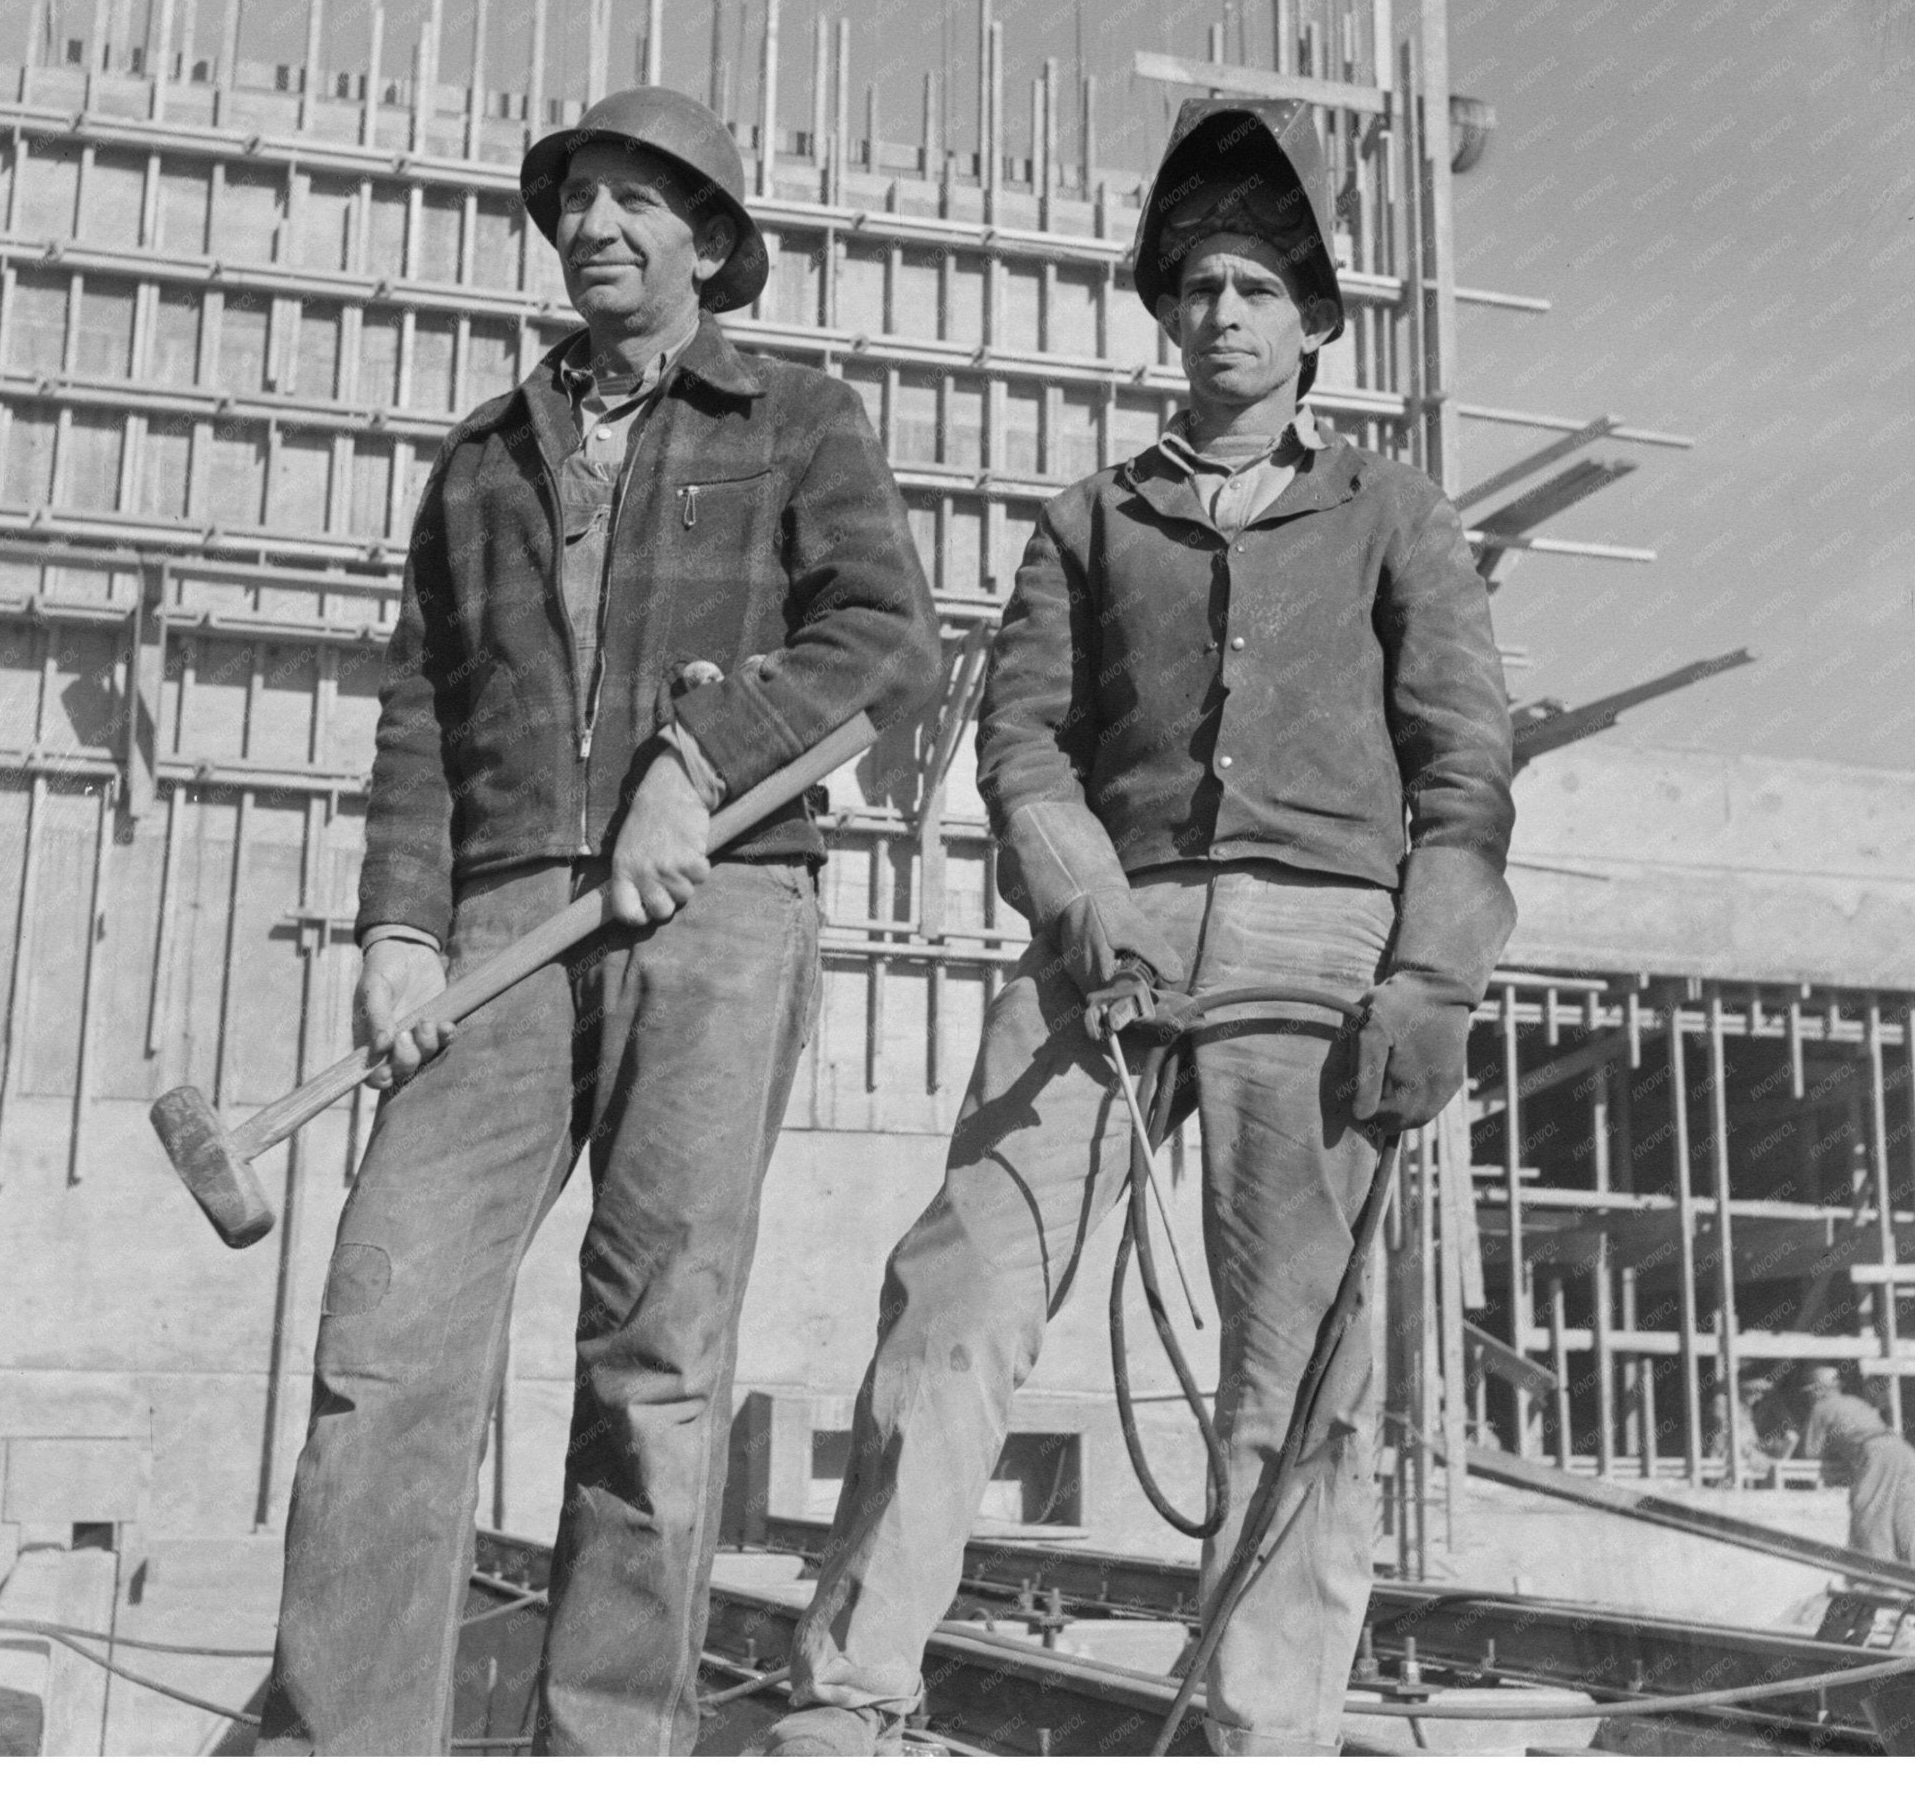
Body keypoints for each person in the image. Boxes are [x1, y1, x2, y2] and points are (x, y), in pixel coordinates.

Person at [765, 98, 1518, 1756]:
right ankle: (843, 1699)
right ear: (1165, 313)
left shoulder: (1391, 516)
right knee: (955, 1293)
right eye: (1195, 286)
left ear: (1310, 320)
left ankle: (1271, 1736)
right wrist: (1081, 890)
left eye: (1255, 286)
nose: (1222, 315)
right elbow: (1018, 740)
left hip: (1318, 960)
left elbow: (1463, 765)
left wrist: (1430, 976)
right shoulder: (1087, 522)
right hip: (1099, 949)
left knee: (1290, 1367)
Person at [256, 86, 941, 1754]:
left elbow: (885, 642)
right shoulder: (482, 460)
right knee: (384, 1335)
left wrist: (693, 762)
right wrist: (398, 926)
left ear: (706, 241)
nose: (595, 226)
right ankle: (340, 1750)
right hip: (497, 923)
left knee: (654, 1357)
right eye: (576, 199)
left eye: (638, 199)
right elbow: (422, 705)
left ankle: (608, 1751)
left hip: (711, 909)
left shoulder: (796, 417)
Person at [1795, 1366, 1915, 1564]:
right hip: (1903, 1450)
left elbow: (1811, 1452)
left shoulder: (1821, 1407)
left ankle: (1878, 1579)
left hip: (1877, 1453)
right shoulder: (1855, 1402)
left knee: (1869, 1511)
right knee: (1907, 1515)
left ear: (1817, 1390)